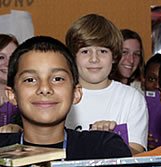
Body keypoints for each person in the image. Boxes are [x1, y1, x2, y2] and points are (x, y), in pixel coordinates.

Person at [0, 35, 132, 165]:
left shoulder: (104, 148)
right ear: (12, 95)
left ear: (76, 93)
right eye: (30, 80)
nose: (45, 88)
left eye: (57, 79)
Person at [64, 14, 149, 155]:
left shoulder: (131, 98)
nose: (94, 59)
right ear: (73, 56)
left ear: (114, 56)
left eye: (102, 51)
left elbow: (137, 154)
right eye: (85, 51)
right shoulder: (61, 95)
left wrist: (109, 140)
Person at [110, 29, 144, 94]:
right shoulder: (101, 88)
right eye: (124, 52)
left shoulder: (140, 91)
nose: (131, 60)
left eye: (136, 54)